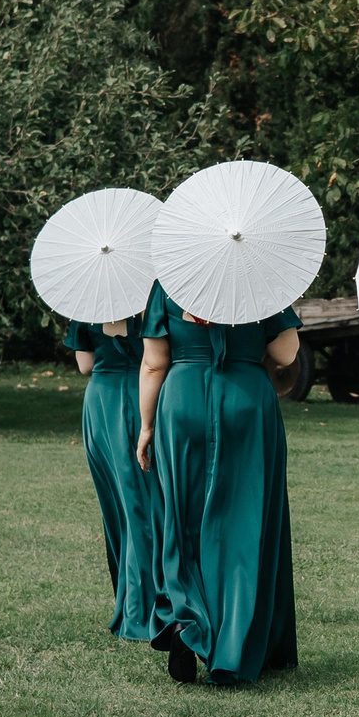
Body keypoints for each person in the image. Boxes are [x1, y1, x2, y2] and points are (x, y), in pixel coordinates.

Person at [135, 284, 301, 685]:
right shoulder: (263, 277)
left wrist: (146, 426)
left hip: (183, 400)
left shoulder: (170, 282)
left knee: (183, 517)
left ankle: (186, 619)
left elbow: (154, 363)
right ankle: (234, 646)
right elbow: (286, 354)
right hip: (245, 398)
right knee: (244, 520)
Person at [67, 310, 157, 643]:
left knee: (122, 508)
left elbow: (84, 365)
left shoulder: (86, 303)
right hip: (142, 395)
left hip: (102, 403)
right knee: (141, 505)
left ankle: (135, 598)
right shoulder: (152, 303)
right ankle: (141, 607)